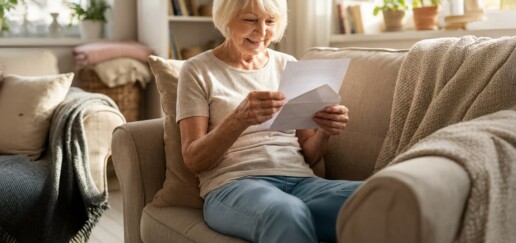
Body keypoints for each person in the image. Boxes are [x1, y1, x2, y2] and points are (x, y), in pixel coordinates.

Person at [176, 0, 362, 242]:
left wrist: (325, 131)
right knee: (286, 212)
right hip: (234, 186)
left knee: (373, 198)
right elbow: (193, 159)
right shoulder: (196, 70)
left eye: (270, 21)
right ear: (226, 18)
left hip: (301, 182)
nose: (262, 31)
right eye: (250, 20)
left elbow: (310, 155)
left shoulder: (288, 64)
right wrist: (239, 119)